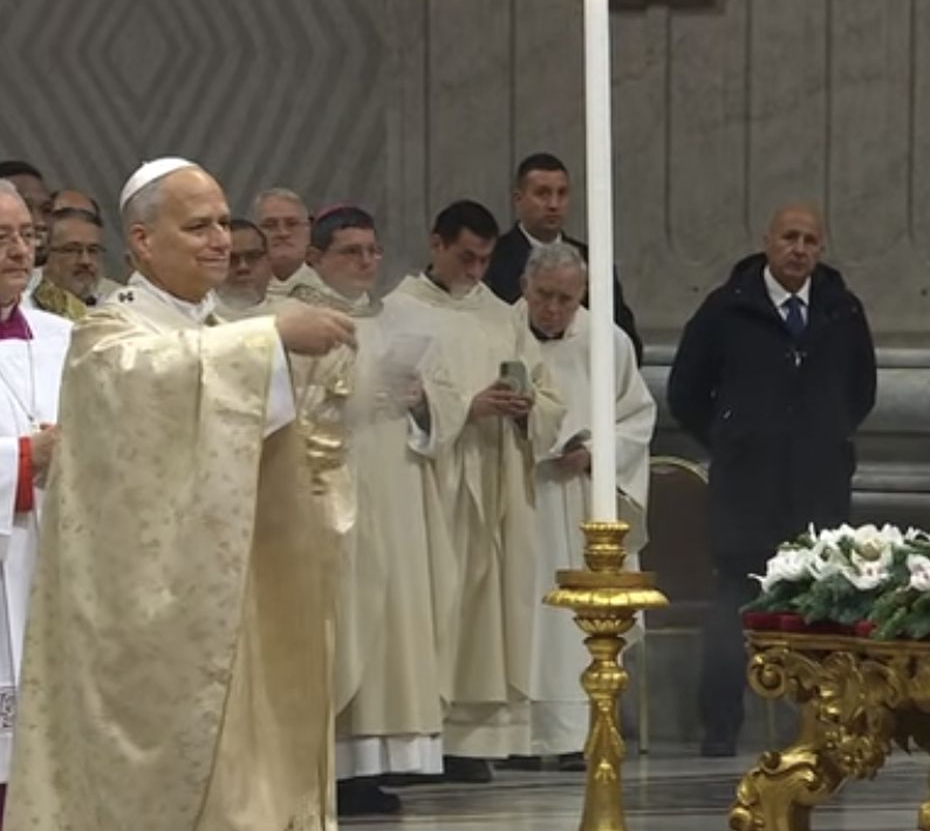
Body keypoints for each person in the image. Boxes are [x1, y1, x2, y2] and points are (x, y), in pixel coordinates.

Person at [6, 157, 357, 830]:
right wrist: (271, 339)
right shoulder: (110, 333)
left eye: (224, 223)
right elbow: (143, 380)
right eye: (198, 227)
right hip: (157, 626)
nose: (220, 239)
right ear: (142, 241)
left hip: (240, 597)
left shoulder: (220, 332)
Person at [668, 203, 876, 757]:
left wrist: (828, 434)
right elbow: (686, 391)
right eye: (789, 237)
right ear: (767, 241)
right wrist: (730, 436)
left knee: (822, 608)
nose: (799, 249)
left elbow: (861, 390)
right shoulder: (726, 308)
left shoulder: (842, 311)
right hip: (746, 490)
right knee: (734, 605)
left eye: (809, 240)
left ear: (821, 249)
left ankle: (820, 722)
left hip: (819, 489)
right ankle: (719, 727)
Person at [383, 199, 564, 782]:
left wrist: (526, 407)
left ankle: (473, 741)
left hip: (498, 478)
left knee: (491, 613)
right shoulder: (398, 312)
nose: (476, 271)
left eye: (485, 260)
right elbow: (395, 400)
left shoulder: (502, 315)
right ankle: (424, 739)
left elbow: (547, 391)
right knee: (438, 603)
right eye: (466, 257)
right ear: (435, 245)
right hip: (437, 482)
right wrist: (467, 407)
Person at [283, 205, 448, 816]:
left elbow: (433, 410)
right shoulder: (297, 321)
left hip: (396, 487)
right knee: (344, 618)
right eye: (350, 251)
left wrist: (420, 402)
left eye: (373, 250)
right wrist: (351, 398)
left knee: (390, 622)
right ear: (316, 257)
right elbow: (288, 406)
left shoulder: (390, 319)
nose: (366, 262)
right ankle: (332, 763)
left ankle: (373, 763)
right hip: (335, 487)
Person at [516, 241, 655, 769]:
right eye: (543, 296)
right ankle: (516, 736)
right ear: (525, 287)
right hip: (520, 495)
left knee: (574, 623)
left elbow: (637, 417)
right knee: (521, 616)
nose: (553, 309)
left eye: (566, 299)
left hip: (579, 501)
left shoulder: (607, 341)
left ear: (583, 295)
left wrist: (596, 453)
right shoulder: (499, 332)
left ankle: (579, 731)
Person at [0, 181, 70, 823]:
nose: (20, 251)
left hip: (55, 569)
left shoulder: (66, 338)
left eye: (27, 235)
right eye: (1, 238)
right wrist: (24, 459)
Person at [485, 153, 641, 360]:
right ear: (518, 199)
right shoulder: (489, 259)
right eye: (542, 194)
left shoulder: (594, 261)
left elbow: (625, 339)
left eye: (562, 193)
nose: (553, 204)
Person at [30, 208, 113, 321]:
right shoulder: (25, 308)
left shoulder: (116, 308)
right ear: (46, 254)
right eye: (72, 250)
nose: (85, 261)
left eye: (93, 250)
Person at [255, 187, 318, 297]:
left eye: (292, 224)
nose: (283, 233)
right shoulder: (236, 289)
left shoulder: (334, 287)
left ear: (309, 229)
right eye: (270, 225)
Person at [217, 218, 274, 319]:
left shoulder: (292, 316)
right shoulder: (194, 320)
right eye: (231, 259)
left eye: (253, 256)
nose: (243, 267)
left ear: (269, 262)